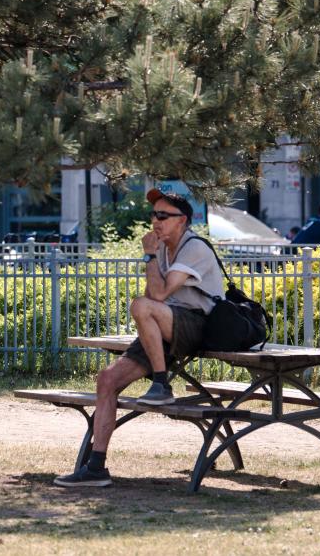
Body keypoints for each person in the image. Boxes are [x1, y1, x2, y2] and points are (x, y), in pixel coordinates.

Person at [54, 188, 224, 488]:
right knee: (107, 379)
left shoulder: (194, 247)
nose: (155, 222)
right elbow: (152, 298)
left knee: (140, 305)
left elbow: (155, 297)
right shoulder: (164, 250)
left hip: (199, 325)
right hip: (168, 326)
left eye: (162, 216)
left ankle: (161, 382)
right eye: (153, 215)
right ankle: (96, 468)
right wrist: (154, 257)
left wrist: (148, 256)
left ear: (181, 220)